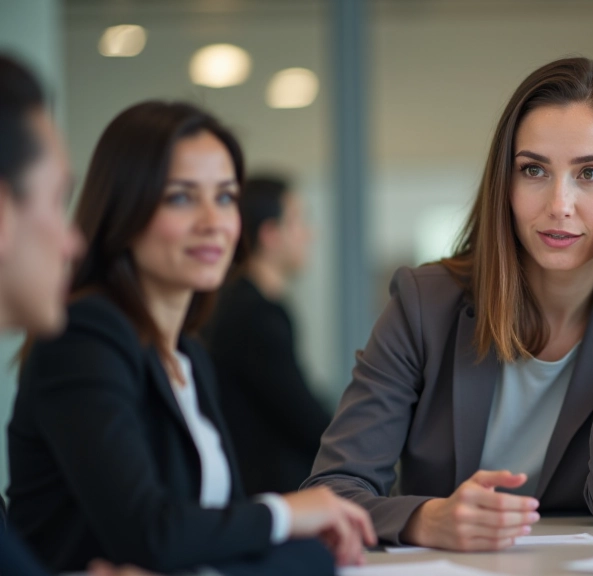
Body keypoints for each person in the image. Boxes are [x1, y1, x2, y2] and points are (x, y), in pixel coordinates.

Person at [303, 57, 593, 550]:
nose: (559, 203)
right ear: (506, 182)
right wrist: (426, 519)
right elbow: (331, 493)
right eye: (533, 170)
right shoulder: (424, 304)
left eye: (590, 173)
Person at [6, 100, 375, 574]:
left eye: (225, 197)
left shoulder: (189, 356)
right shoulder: (85, 336)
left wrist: (277, 533)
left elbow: (214, 534)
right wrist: (284, 514)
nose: (212, 222)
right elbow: (152, 533)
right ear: (125, 209)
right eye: (181, 197)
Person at [204, 175, 330, 496]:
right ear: (270, 235)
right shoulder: (254, 315)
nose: (309, 234)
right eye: (299, 222)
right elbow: (308, 421)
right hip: (268, 502)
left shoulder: (240, 304)